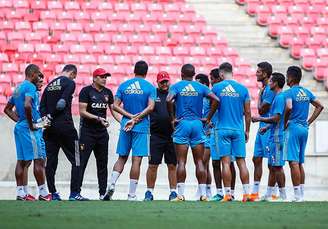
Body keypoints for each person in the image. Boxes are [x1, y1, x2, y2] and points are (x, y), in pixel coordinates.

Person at [166, 64, 219, 201]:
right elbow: (216, 100)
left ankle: (180, 195)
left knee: (181, 161)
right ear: (194, 74)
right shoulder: (201, 87)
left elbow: (168, 100)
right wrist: (207, 118)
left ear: (182, 74)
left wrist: (173, 118)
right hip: (197, 124)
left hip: (182, 124)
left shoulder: (177, 86)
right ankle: (203, 195)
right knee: (200, 161)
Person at [105, 61, 156, 201]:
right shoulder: (150, 87)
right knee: (136, 160)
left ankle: (112, 184)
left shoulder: (124, 85)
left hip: (125, 125)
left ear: (134, 70)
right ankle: (131, 194)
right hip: (141, 126)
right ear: (146, 72)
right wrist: (137, 117)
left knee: (122, 157)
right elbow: (151, 107)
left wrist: (129, 117)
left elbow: (115, 106)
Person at [4, 64, 51, 201]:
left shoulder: (18, 88)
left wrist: (21, 121)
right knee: (39, 159)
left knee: (22, 161)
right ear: (33, 74)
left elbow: (7, 109)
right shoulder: (30, 86)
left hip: (20, 127)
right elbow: (27, 105)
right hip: (30, 129)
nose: (39, 77)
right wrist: (32, 125)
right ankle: (43, 193)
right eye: (38, 74)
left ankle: (21, 193)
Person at [40, 64, 86, 201]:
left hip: (49, 129)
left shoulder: (49, 86)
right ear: (72, 73)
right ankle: (74, 193)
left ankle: (53, 193)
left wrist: (46, 118)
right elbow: (61, 104)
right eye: (74, 76)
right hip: (65, 127)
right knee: (77, 159)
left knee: (51, 162)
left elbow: (41, 107)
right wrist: (53, 115)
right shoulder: (69, 83)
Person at [209, 62, 252, 202]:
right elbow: (248, 112)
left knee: (225, 163)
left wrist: (207, 119)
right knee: (241, 162)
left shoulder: (216, 88)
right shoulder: (243, 89)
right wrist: (247, 130)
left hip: (222, 129)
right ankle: (247, 194)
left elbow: (213, 107)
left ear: (221, 74)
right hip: (238, 129)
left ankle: (227, 195)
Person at [78, 68, 121, 200]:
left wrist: (122, 122)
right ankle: (75, 193)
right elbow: (82, 111)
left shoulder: (108, 92)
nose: (104, 79)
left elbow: (113, 109)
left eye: (105, 77)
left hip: (102, 133)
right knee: (82, 162)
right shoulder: (86, 91)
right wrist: (98, 119)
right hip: (87, 132)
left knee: (102, 163)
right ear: (95, 78)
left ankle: (103, 193)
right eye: (102, 77)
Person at [283, 66, 324, 201]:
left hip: (293, 128)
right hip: (304, 129)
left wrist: (285, 122)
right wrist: (308, 122)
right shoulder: (306, 92)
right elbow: (320, 106)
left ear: (291, 78)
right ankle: (301, 193)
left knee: (293, 162)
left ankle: (296, 195)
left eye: (287, 76)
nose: (286, 79)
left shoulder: (289, 92)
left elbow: (289, 107)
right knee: (299, 162)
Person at [252, 72, 287, 201]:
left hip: (278, 136)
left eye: (271, 81)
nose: (269, 83)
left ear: (276, 83)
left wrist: (260, 119)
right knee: (273, 165)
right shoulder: (279, 97)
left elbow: (277, 117)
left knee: (277, 166)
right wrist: (267, 127)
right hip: (274, 133)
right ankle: (269, 193)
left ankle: (283, 195)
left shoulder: (279, 97)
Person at [144, 71, 178, 201]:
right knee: (153, 164)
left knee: (172, 165)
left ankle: (173, 192)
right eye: (162, 82)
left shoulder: (174, 94)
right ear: (157, 82)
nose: (164, 84)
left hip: (172, 135)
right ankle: (149, 192)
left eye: (166, 81)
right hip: (155, 135)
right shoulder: (153, 94)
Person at [208, 68, 236, 201]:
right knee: (215, 162)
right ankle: (219, 192)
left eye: (212, 79)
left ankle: (231, 192)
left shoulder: (221, 90)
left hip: (224, 129)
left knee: (229, 162)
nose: (211, 82)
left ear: (219, 78)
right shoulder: (214, 91)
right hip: (214, 130)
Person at [251, 62, 277, 201]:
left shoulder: (269, 90)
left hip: (269, 127)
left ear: (265, 74)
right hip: (262, 127)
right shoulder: (266, 88)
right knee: (256, 158)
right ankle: (255, 192)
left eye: (259, 72)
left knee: (272, 163)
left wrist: (260, 96)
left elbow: (262, 110)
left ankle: (271, 192)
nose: (256, 73)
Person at [195, 73, 212, 199]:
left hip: (207, 135)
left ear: (205, 85)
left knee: (204, 163)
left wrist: (211, 126)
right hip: (198, 134)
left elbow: (216, 113)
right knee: (203, 164)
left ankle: (203, 190)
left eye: (198, 83)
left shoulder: (210, 98)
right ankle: (206, 189)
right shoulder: (197, 98)